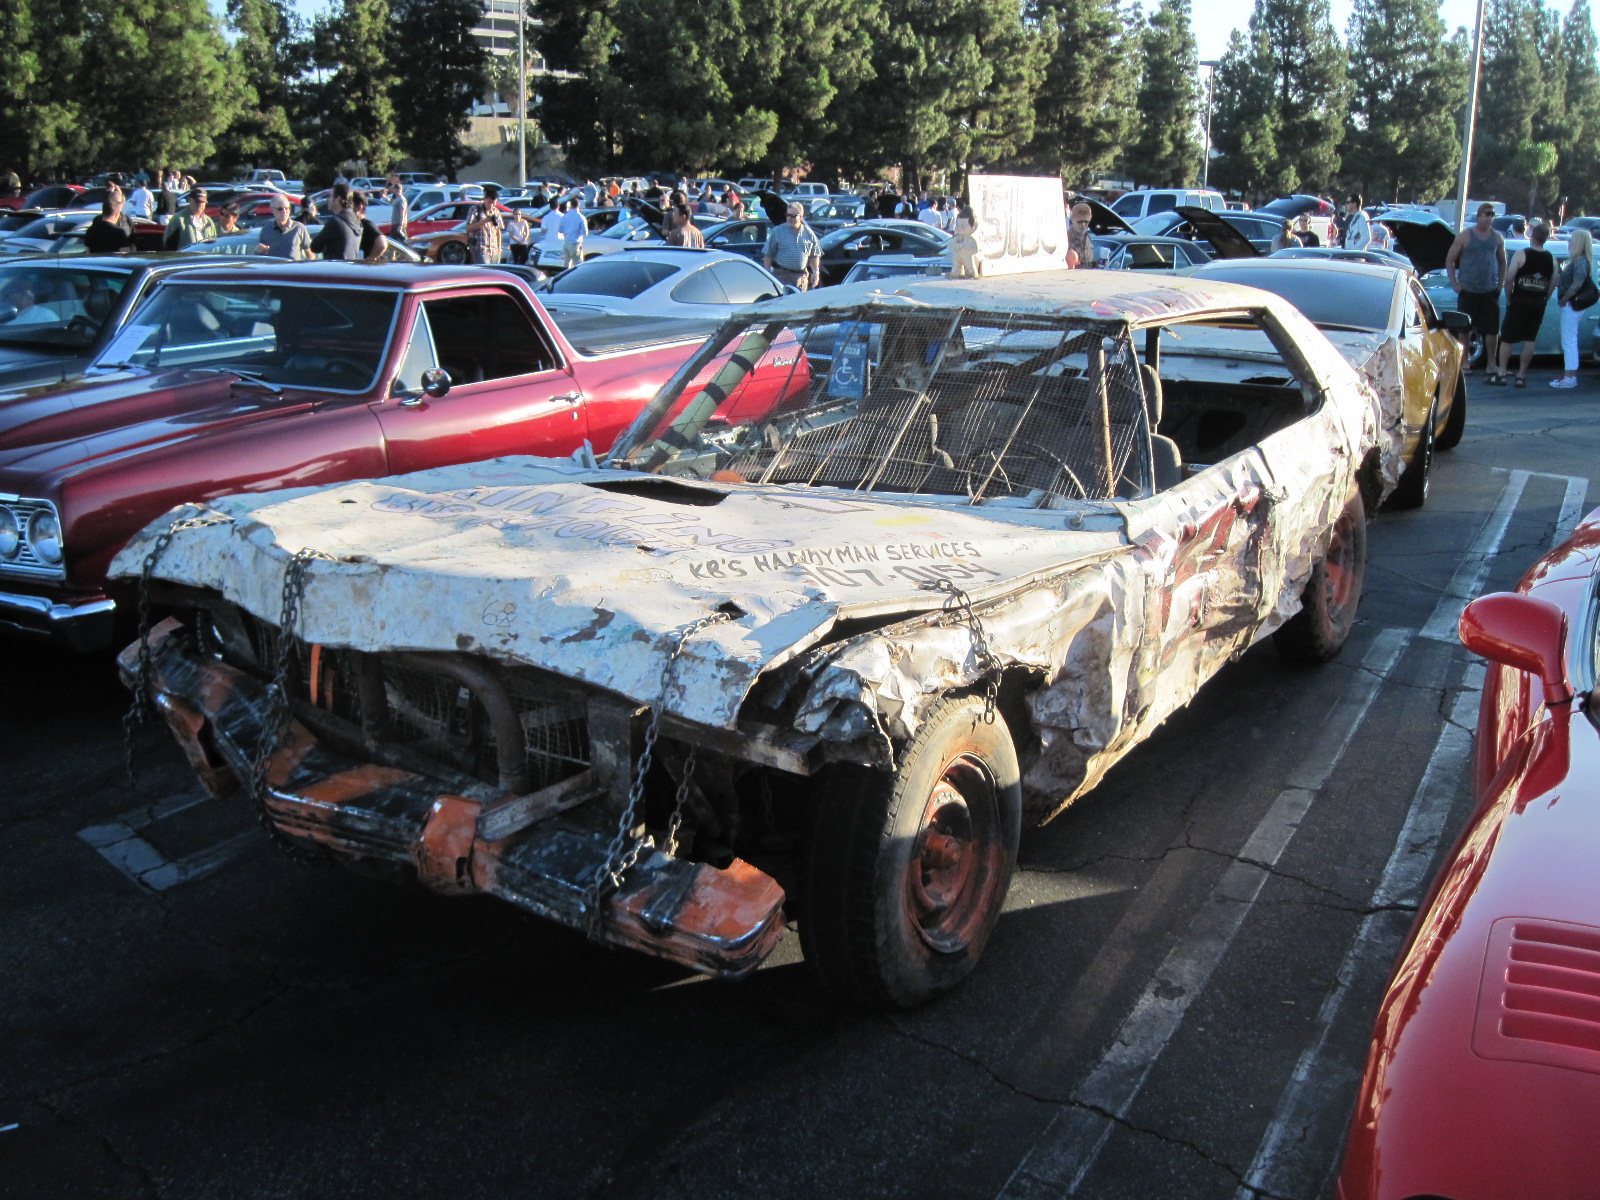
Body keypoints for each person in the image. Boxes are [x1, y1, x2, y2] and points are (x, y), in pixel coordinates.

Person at [1446, 203, 1509, 381]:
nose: (1489, 218)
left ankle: (1491, 364)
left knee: (1491, 330)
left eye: (1492, 215)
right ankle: (1464, 362)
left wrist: (1500, 285)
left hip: (1489, 290)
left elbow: (1503, 262)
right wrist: (1455, 284)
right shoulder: (1465, 236)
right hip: (1468, 290)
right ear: (1479, 216)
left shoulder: (1497, 238)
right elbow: (1450, 260)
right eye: (1487, 214)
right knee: (1465, 329)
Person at [1495, 219, 1555, 387]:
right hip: (1538, 302)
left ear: (1532, 236)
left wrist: (1509, 296)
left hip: (1520, 300)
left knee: (1507, 338)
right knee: (1529, 339)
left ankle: (1502, 372)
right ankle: (1521, 375)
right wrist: (1544, 298)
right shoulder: (1552, 259)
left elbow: (1509, 278)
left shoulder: (1522, 254)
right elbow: (1552, 283)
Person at [1552, 227, 1594, 388]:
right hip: (1570, 304)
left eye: (1572, 240)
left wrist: (1565, 297)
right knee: (1569, 339)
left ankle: (1570, 376)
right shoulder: (1579, 260)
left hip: (1571, 305)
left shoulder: (1580, 261)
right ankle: (1569, 375)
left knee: (1569, 340)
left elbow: (1578, 283)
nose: (1569, 242)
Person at [763, 202, 822, 290]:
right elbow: (768, 254)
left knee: (799, 303)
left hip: (801, 277)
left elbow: (815, 255)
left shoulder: (809, 233)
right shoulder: (777, 231)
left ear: (801, 217)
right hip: (782, 275)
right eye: (788, 215)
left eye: (793, 216)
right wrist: (767, 275)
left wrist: (816, 272)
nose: (790, 218)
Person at [309, 181, 363, 260]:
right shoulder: (357, 221)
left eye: (330, 196)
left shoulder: (336, 222)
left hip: (335, 269)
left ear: (337, 199)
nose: (328, 199)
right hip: (350, 270)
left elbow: (314, 246)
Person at [255, 194, 313, 260]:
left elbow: (310, 254)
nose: (285, 212)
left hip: (292, 269)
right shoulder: (266, 230)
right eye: (280, 209)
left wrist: (303, 268)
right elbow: (258, 256)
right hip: (272, 269)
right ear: (272, 210)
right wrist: (258, 251)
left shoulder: (299, 228)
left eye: (287, 208)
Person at [465, 184, 505, 264]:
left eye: (494, 203)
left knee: (494, 274)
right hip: (481, 249)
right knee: (484, 272)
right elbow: (468, 228)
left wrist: (499, 249)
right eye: (489, 202)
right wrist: (484, 221)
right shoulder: (475, 209)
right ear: (485, 199)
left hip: (494, 249)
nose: (491, 205)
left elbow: (499, 231)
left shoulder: (496, 211)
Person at [350, 191, 389, 260]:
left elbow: (382, 244)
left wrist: (371, 258)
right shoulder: (353, 224)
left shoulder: (367, 225)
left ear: (361, 207)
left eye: (351, 206)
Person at [951, 205, 981, 278]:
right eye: (958, 225)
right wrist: (955, 247)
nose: (960, 227)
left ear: (973, 226)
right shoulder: (957, 238)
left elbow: (975, 250)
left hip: (967, 257)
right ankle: (956, 273)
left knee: (969, 266)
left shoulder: (970, 240)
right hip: (957, 257)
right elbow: (950, 245)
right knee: (956, 266)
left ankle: (971, 273)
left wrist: (966, 248)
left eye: (963, 225)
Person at [558, 197, 587, 270]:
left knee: (566, 265)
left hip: (566, 242)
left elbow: (560, 230)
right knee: (578, 265)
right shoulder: (581, 217)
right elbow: (585, 232)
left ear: (570, 205)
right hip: (575, 243)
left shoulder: (565, 216)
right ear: (579, 205)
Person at [385, 174, 409, 242]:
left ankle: (408, 250)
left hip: (399, 223)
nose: (393, 190)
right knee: (394, 241)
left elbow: (402, 212)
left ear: (397, 189)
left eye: (394, 189)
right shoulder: (397, 199)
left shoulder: (402, 199)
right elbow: (391, 202)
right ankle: (394, 253)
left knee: (402, 241)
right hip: (395, 223)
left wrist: (400, 225)